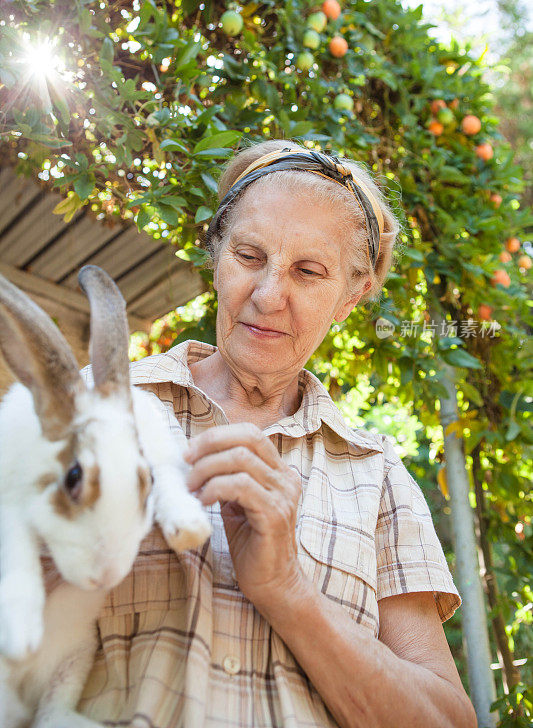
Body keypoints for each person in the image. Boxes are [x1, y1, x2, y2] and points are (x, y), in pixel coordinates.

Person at [75, 140, 477, 727]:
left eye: (309, 272)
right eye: (248, 255)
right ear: (215, 252)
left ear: (351, 295)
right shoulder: (98, 402)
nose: (267, 296)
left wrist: (288, 589)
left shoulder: (377, 472)